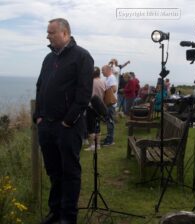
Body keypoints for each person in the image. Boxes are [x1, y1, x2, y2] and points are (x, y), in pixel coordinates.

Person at [33, 18, 94, 224]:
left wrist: (68, 122)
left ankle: (68, 218)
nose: (47, 36)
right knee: (54, 172)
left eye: (51, 32)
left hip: (68, 127)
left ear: (65, 34)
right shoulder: (48, 58)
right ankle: (55, 212)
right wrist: (38, 116)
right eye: (47, 32)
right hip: (47, 125)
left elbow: (84, 94)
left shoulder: (82, 57)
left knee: (69, 173)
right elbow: (40, 86)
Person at [85, 66, 106, 151]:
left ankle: (92, 145)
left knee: (91, 127)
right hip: (100, 106)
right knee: (98, 126)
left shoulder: (90, 82)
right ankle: (98, 145)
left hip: (91, 107)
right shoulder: (102, 81)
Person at [101, 65, 117, 146]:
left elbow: (114, 89)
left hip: (110, 103)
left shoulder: (111, 77)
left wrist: (105, 91)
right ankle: (109, 137)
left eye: (103, 70)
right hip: (108, 103)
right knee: (108, 121)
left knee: (110, 122)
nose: (101, 72)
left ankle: (110, 140)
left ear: (107, 70)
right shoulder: (108, 78)